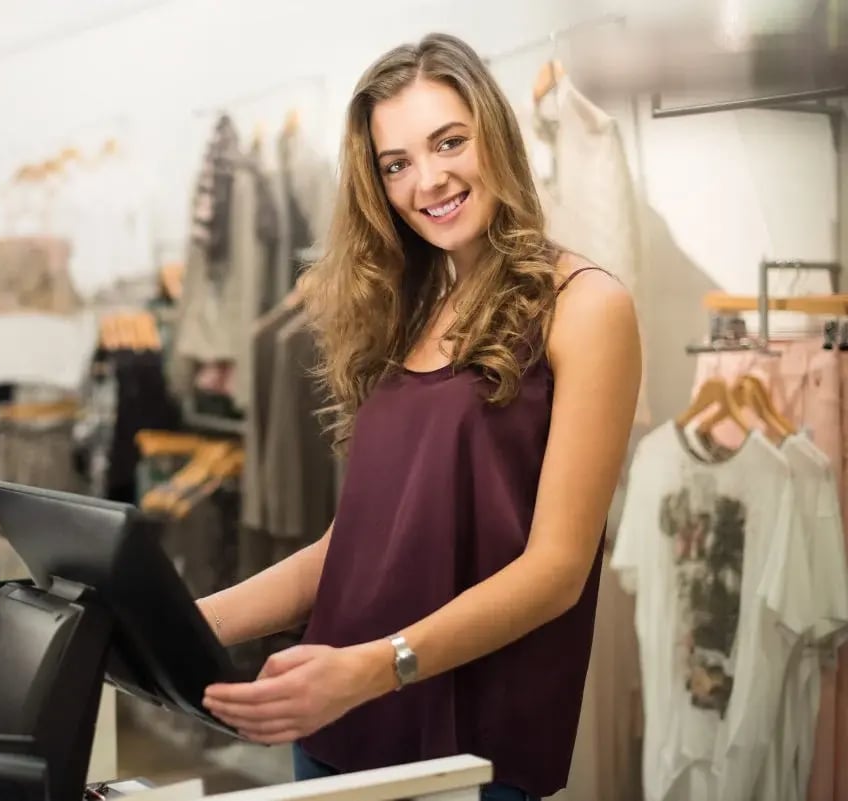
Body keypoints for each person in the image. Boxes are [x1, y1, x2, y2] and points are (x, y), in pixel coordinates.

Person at [195, 32, 642, 801]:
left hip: (466, 744)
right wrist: (180, 619)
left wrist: (374, 667)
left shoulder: (588, 306)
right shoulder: (406, 308)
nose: (427, 180)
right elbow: (351, 548)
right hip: (334, 719)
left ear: (493, 134)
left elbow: (557, 572)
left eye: (449, 142)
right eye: (395, 163)